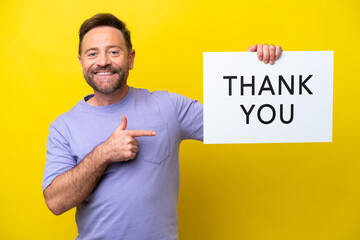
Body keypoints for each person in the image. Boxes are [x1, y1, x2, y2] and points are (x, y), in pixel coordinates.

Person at [42, 13, 282, 240]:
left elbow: (240, 123)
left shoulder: (169, 106)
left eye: (114, 51)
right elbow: (56, 202)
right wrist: (104, 154)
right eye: (92, 54)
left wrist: (259, 71)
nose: (103, 62)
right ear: (81, 61)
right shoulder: (63, 127)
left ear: (131, 58)